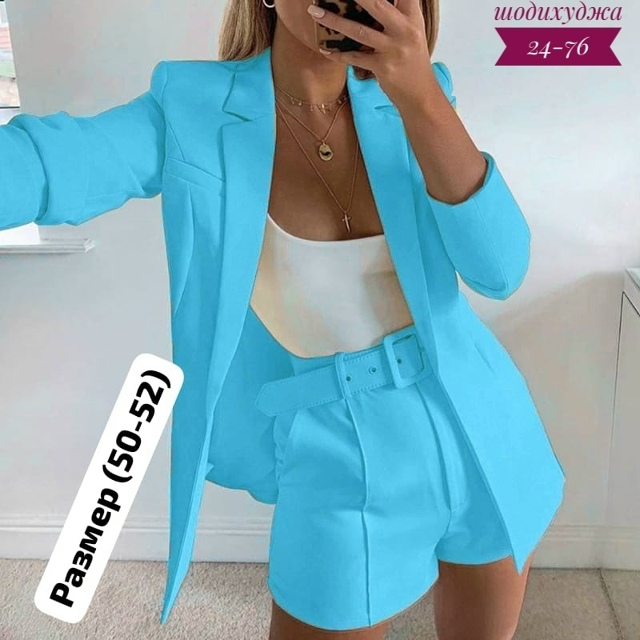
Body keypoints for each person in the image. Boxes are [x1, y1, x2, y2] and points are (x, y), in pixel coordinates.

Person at [0, 0, 566, 638]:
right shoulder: (192, 110)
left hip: (483, 425)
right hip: (338, 456)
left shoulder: (419, 99)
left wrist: (419, 93)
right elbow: (46, 164)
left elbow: (500, 270)